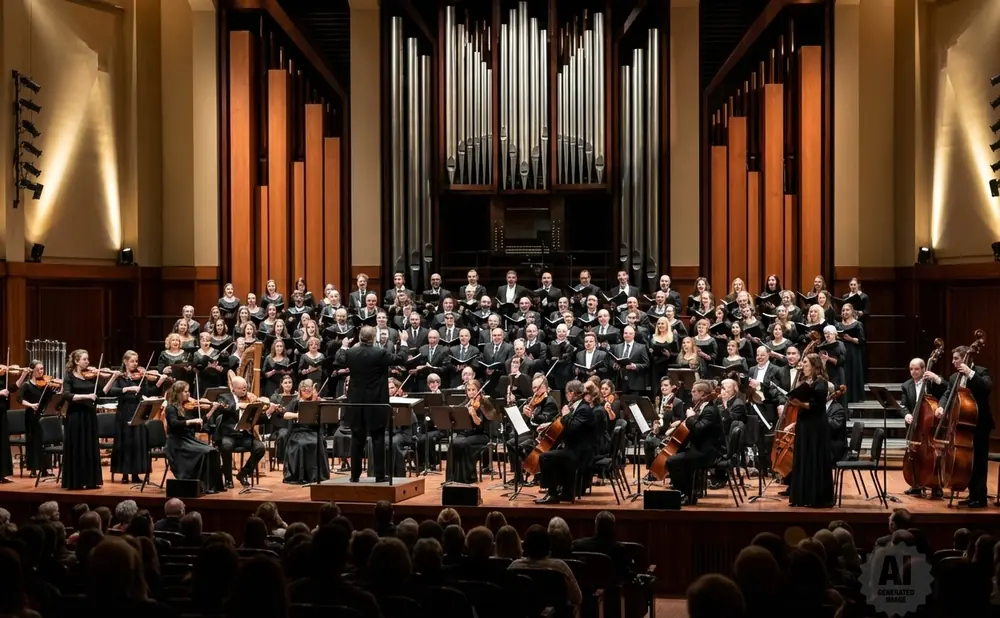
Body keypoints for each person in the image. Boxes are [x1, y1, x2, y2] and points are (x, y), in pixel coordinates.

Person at [334, 325, 410, 482]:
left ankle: (354, 476)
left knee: (357, 439)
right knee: (378, 438)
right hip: (376, 404)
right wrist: (403, 342)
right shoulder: (379, 353)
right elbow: (401, 359)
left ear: (360, 338)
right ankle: (380, 476)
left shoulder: (351, 353)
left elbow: (339, 360)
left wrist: (344, 346)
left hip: (356, 404)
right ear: (373, 338)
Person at [935, 345, 993, 508]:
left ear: (966, 359)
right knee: (966, 461)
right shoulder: (954, 377)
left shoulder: (981, 372)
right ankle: (971, 494)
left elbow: (987, 387)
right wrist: (941, 406)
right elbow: (948, 393)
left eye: (956, 358)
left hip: (979, 424)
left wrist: (970, 373)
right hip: (962, 424)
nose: (953, 362)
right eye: (953, 358)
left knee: (979, 461)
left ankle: (980, 497)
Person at [535, 380, 598, 504]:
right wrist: (549, 425)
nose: (566, 396)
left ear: (571, 393)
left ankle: (552, 493)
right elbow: (565, 424)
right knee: (553, 452)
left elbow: (571, 427)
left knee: (545, 457)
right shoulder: (577, 406)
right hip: (574, 448)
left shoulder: (583, 409)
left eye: (566, 393)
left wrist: (565, 415)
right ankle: (566, 492)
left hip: (581, 453)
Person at [104, 351, 158, 485]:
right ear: (125, 362)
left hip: (138, 410)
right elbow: (112, 391)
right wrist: (127, 389)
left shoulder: (140, 377)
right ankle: (124, 474)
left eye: (136, 361)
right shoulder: (120, 377)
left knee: (137, 443)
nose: (135, 364)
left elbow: (148, 392)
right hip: (124, 411)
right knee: (125, 443)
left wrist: (150, 381)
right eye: (132, 361)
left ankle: (136, 474)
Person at [665, 381, 724, 505]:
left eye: (694, 391)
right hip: (700, 448)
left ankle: (686, 493)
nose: (691, 393)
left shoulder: (710, 410)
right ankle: (689, 493)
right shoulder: (703, 407)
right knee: (679, 455)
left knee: (672, 461)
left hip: (709, 452)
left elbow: (698, 428)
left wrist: (690, 418)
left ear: (702, 393)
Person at [787, 353, 834, 508]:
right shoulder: (807, 381)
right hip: (805, 424)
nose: (803, 366)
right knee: (803, 456)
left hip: (816, 426)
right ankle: (802, 496)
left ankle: (815, 497)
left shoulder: (821, 383)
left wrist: (798, 403)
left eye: (806, 363)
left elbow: (815, 406)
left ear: (814, 365)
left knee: (814, 457)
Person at [163, 380, 223, 494]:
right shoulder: (171, 408)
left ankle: (213, 485)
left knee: (213, 451)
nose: (188, 394)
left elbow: (197, 425)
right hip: (177, 443)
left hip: (188, 439)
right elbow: (174, 424)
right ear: (178, 393)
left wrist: (212, 410)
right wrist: (191, 421)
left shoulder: (185, 407)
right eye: (186, 391)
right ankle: (201, 484)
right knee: (205, 452)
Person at [899, 357, 946, 498]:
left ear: (923, 369)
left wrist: (937, 378)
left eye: (917, 369)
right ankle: (916, 485)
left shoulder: (931, 382)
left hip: (929, 426)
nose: (913, 372)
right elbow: (903, 405)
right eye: (911, 369)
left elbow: (947, 388)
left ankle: (936, 487)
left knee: (935, 456)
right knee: (915, 455)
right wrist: (906, 414)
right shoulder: (906, 385)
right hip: (915, 427)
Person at [60, 349, 104, 490]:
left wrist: (108, 377)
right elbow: (67, 395)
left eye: (88, 359)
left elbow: (101, 392)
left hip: (89, 416)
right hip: (75, 416)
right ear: (76, 361)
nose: (87, 362)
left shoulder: (91, 377)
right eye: (84, 359)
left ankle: (91, 480)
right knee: (77, 447)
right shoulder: (69, 376)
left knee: (89, 447)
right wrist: (86, 396)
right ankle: (75, 481)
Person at [215, 376, 267, 489]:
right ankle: (228, 478)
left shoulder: (250, 399)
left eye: (245, 388)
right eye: (241, 388)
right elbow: (223, 409)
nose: (244, 391)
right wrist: (239, 406)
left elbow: (258, 419)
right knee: (226, 446)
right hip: (229, 435)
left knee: (260, 448)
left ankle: (243, 473)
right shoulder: (224, 397)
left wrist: (268, 412)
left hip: (244, 435)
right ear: (233, 388)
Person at [281, 379, 331, 484]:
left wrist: (316, 400)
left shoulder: (317, 401)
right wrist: (298, 415)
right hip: (299, 432)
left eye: (309, 390)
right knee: (301, 444)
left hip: (313, 431)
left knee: (317, 442)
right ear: (300, 391)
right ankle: (300, 475)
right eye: (304, 390)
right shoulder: (296, 401)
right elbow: (285, 415)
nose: (307, 392)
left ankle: (316, 475)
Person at [446, 379, 493, 484]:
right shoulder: (467, 402)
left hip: (480, 435)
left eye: (473, 390)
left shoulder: (484, 403)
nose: (471, 392)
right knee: (453, 443)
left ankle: (468, 478)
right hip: (467, 434)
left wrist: (474, 414)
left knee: (464, 443)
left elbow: (480, 424)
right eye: (469, 390)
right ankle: (452, 478)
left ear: (478, 390)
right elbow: (458, 412)